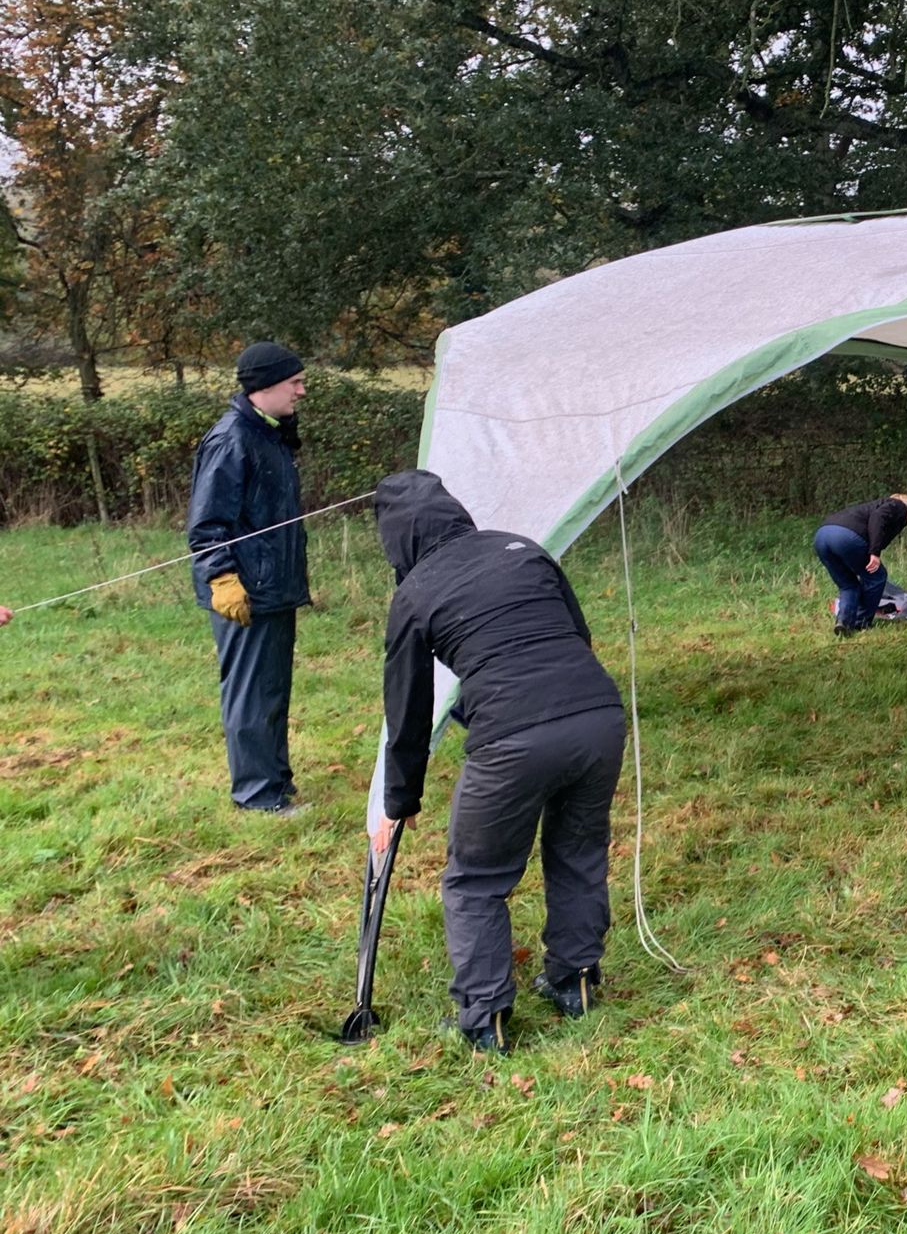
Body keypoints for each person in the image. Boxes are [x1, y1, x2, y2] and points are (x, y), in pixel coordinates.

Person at [371, 469, 627, 1055]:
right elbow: (576, 637)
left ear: (395, 540)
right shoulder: (523, 549)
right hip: (598, 716)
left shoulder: (413, 594)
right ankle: (576, 981)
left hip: (513, 741)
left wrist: (399, 801)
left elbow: (406, 713)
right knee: (579, 851)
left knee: (476, 880)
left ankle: (485, 1017)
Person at [186, 342, 310, 813]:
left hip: (274, 587)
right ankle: (257, 796)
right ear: (263, 388)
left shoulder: (268, 433)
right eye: (293, 383)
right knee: (252, 695)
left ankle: (276, 782)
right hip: (245, 590)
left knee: (273, 691)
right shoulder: (231, 439)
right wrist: (221, 578)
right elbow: (207, 523)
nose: (301, 391)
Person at [812, 493, 907, 635]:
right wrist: (875, 552)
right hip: (845, 537)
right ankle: (861, 623)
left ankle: (844, 622)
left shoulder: (871, 506)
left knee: (848, 585)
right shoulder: (898, 506)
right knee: (876, 577)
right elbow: (878, 517)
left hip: (822, 536)